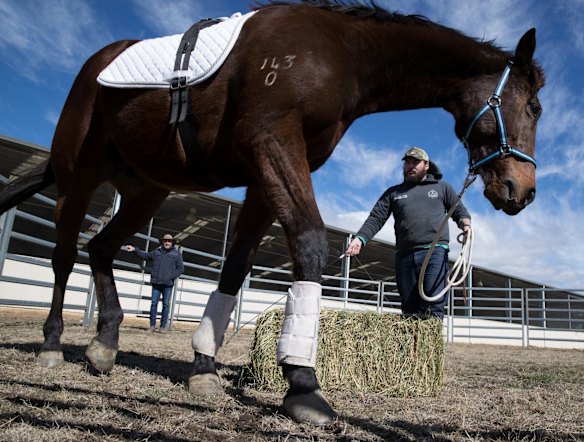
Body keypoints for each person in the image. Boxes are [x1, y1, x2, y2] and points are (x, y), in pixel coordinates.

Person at [344, 147, 471, 319]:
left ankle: (430, 345)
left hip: (434, 252)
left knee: (433, 306)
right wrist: (360, 239)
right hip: (404, 255)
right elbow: (376, 218)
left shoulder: (443, 188)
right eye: (408, 162)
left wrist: (466, 226)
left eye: (415, 162)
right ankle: (412, 345)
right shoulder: (393, 193)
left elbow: (460, 212)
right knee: (409, 308)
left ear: (426, 165)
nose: (410, 166)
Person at [126, 233, 184, 334]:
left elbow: (180, 268)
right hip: (156, 282)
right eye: (165, 240)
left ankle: (162, 326)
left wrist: (171, 277)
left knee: (166, 304)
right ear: (162, 242)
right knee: (154, 303)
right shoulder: (156, 252)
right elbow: (145, 256)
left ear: (172, 243)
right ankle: (152, 326)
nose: (167, 242)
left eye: (169, 241)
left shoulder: (176, 254)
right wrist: (135, 249)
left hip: (168, 284)